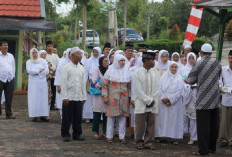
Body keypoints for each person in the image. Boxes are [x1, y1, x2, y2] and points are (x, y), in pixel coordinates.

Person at [185, 43, 221, 156]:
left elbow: (190, 80)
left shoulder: (199, 63)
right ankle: (212, 148)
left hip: (203, 100)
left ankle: (203, 150)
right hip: (215, 98)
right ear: (211, 53)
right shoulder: (217, 63)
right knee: (213, 125)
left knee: (203, 126)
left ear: (201, 52)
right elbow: (218, 76)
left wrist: (185, 80)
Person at [133, 51, 160, 150]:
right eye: (152, 60)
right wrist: (147, 100)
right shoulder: (137, 73)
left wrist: (152, 100)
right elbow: (138, 90)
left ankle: (148, 142)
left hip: (153, 102)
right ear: (146, 61)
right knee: (140, 125)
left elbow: (158, 88)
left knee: (151, 124)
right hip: (141, 102)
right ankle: (139, 141)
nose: (154, 62)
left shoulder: (156, 72)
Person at [102, 54, 130, 144]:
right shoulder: (110, 71)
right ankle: (109, 136)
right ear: (116, 61)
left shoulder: (126, 71)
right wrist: (105, 96)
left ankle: (122, 136)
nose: (123, 62)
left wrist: (130, 97)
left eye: (124, 61)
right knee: (111, 117)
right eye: (121, 60)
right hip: (112, 98)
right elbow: (105, 85)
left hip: (124, 98)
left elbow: (129, 86)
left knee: (122, 118)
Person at [60, 47, 86, 142]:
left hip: (78, 96)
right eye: (79, 54)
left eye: (81, 54)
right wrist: (64, 97)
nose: (81, 56)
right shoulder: (66, 67)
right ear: (72, 55)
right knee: (67, 117)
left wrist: (84, 96)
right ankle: (65, 134)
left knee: (78, 117)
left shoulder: (81, 67)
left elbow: (83, 83)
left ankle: (77, 134)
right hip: (69, 96)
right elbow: (63, 83)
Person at [156, 61, 184, 145]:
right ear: (169, 67)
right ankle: (161, 136)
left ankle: (173, 137)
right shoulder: (163, 77)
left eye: (175, 67)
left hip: (175, 103)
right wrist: (163, 99)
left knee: (174, 120)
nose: (174, 69)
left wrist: (170, 100)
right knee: (163, 119)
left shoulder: (179, 78)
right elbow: (159, 88)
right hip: (163, 102)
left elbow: (179, 92)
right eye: (172, 67)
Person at [26, 48, 49, 122]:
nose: (35, 54)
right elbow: (29, 71)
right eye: (33, 53)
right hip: (33, 83)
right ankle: (34, 115)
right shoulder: (29, 62)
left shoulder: (43, 61)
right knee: (33, 98)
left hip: (42, 82)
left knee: (43, 98)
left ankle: (43, 115)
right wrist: (39, 70)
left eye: (36, 52)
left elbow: (47, 71)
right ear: (31, 54)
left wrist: (36, 73)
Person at [181, 52, 197, 145]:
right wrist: (189, 84)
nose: (191, 60)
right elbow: (184, 79)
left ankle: (193, 137)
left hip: (195, 95)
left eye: (193, 58)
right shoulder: (183, 69)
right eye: (189, 58)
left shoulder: (197, 69)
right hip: (186, 94)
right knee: (184, 115)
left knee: (193, 117)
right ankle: (183, 132)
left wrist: (193, 84)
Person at [91, 56, 109, 139]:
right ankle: (96, 131)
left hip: (107, 94)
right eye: (105, 61)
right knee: (97, 113)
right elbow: (94, 80)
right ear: (101, 62)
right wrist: (101, 86)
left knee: (106, 113)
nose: (107, 62)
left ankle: (105, 131)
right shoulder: (97, 69)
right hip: (98, 94)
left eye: (107, 61)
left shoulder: (109, 70)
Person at [84, 47, 102, 123]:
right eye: (94, 52)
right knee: (89, 100)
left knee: (98, 100)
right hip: (90, 82)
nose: (95, 54)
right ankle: (88, 116)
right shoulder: (88, 61)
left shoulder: (101, 60)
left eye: (97, 52)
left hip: (100, 83)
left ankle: (99, 117)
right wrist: (85, 82)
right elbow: (86, 72)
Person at [218, 50, 232, 147]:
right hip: (226, 98)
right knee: (224, 121)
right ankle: (224, 139)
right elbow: (219, 83)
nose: (231, 60)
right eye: (229, 58)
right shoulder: (223, 69)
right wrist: (227, 89)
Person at [0, 41, 16, 119]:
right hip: (0, 79)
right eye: (4, 45)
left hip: (9, 79)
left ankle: (9, 114)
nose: (6, 47)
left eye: (7, 45)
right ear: (0, 47)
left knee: (9, 97)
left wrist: (13, 76)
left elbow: (13, 67)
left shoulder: (11, 56)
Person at [55, 48, 71, 120]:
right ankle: (62, 117)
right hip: (62, 84)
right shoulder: (62, 62)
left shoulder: (75, 63)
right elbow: (58, 74)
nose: (71, 55)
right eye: (69, 53)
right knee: (61, 101)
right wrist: (58, 86)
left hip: (71, 86)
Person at [39, 50, 54, 121]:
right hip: (38, 83)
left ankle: (46, 114)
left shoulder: (49, 63)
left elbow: (51, 73)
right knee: (39, 98)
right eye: (42, 54)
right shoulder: (36, 62)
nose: (44, 56)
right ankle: (37, 114)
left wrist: (44, 78)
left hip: (47, 83)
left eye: (45, 54)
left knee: (47, 98)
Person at [45, 41, 60, 110]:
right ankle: (46, 103)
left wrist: (55, 70)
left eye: (51, 46)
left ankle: (52, 104)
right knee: (47, 90)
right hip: (47, 76)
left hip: (54, 76)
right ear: (46, 47)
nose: (50, 48)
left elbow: (58, 65)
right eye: (48, 46)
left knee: (54, 90)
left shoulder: (56, 56)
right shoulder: (45, 55)